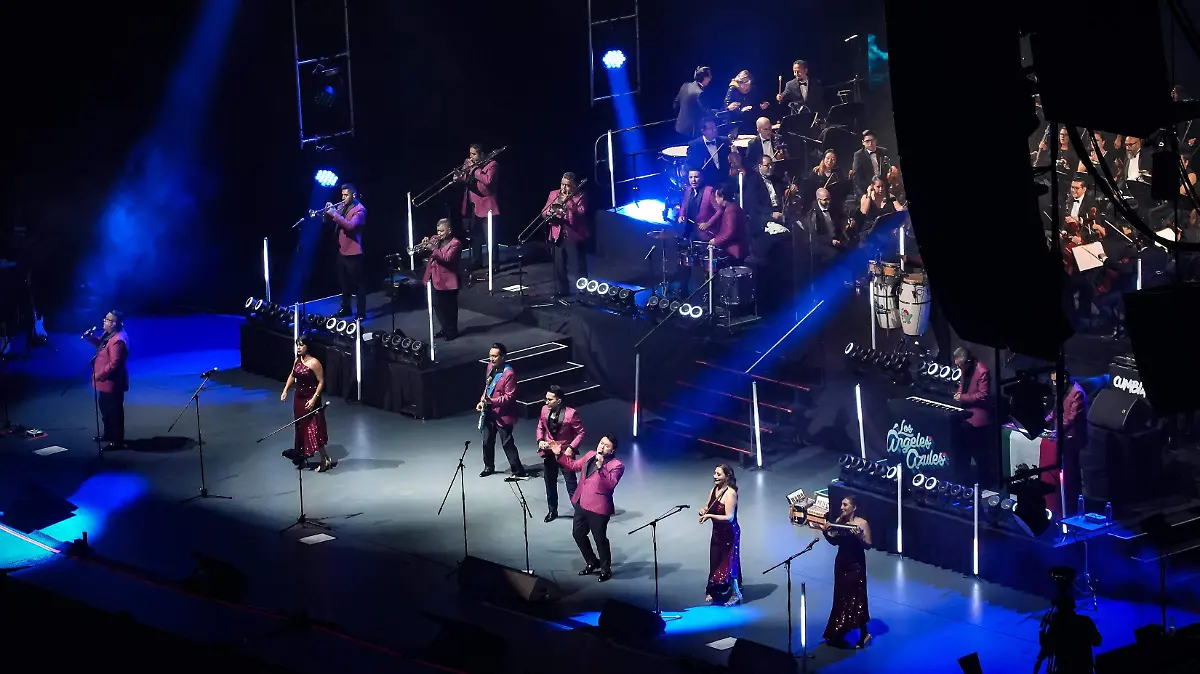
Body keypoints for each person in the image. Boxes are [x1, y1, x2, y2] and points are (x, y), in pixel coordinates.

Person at [549, 434, 624, 582]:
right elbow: (574, 466)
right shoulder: (590, 454)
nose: (601, 446)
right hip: (581, 502)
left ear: (612, 450)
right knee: (578, 534)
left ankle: (605, 569)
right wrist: (559, 455)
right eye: (601, 443)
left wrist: (601, 467)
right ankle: (591, 561)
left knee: (600, 539)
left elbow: (609, 485)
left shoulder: (617, 465)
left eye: (606, 445)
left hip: (599, 508)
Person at [821, 495, 872, 649]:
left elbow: (868, 545)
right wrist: (825, 533)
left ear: (853, 508)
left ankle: (864, 634)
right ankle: (838, 632)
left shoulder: (862, 523)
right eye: (841, 505)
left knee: (858, 598)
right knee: (841, 598)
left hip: (856, 565)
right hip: (841, 564)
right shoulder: (839, 521)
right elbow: (835, 541)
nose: (842, 507)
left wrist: (859, 537)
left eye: (845, 505)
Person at [280, 336, 332, 472]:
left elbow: (321, 382)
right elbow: (292, 375)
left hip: (310, 398)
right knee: (300, 426)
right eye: (297, 345)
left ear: (307, 346)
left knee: (314, 428)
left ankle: (325, 458)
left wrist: (314, 399)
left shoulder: (314, 363)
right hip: (299, 398)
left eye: (301, 345)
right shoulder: (298, 360)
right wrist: (285, 390)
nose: (298, 348)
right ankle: (301, 454)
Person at [476, 343, 526, 478]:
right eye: (490, 356)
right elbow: (488, 388)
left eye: (494, 356)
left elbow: (510, 397)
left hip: (504, 414)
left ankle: (518, 470)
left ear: (503, 357)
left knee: (507, 443)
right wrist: (482, 401)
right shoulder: (490, 367)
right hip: (489, 412)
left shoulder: (509, 374)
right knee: (487, 441)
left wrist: (491, 401)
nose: (491, 359)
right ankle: (488, 466)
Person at [536, 385, 584, 522]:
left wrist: (572, 448)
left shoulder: (571, 414)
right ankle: (552, 510)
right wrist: (540, 440)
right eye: (546, 399)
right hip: (549, 451)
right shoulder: (544, 410)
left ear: (559, 400)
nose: (546, 402)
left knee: (571, 485)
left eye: (550, 399)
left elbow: (580, 433)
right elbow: (540, 425)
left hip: (564, 453)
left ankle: (580, 512)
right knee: (549, 483)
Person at [84, 310, 129, 450]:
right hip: (104, 382)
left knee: (114, 411)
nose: (104, 321)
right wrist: (90, 338)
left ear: (114, 323)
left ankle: (117, 441)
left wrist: (100, 374)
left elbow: (115, 363)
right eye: (105, 318)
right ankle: (108, 434)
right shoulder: (109, 334)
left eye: (107, 319)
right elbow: (100, 345)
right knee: (105, 409)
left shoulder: (118, 340)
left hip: (112, 382)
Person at [699, 463, 743, 606]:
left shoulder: (730, 493)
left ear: (727, 476)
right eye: (715, 473)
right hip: (717, 532)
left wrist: (709, 516)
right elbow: (708, 506)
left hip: (729, 533)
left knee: (728, 563)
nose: (715, 476)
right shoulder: (714, 490)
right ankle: (715, 589)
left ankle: (736, 593)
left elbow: (729, 518)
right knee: (716, 560)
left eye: (719, 474)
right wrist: (704, 511)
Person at [323, 183, 368, 319]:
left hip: (354, 252)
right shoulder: (342, 206)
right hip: (342, 250)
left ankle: (361, 313)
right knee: (344, 283)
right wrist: (327, 212)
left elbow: (350, 226)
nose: (343, 198)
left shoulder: (360, 210)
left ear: (353, 195)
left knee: (358, 284)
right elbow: (329, 221)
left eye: (346, 195)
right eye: (342, 195)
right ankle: (346, 308)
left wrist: (335, 214)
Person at [541, 173, 589, 297]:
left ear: (573, 186)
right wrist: (550, 212)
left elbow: (582, 211)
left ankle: (583, 290)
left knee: (578, 264)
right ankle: (563, 290)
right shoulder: (554, 194)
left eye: (567, 185)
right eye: (562, 184)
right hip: (557, 233)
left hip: (574, 234)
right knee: (559, 264)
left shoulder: (580, 196)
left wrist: (568, 203)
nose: (563, 188)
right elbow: (544, 211)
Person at [953, 346, 994, 487]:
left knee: (980, 453)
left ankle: (985, 482)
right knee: (962, 450)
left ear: (968, 361)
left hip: (978, 417)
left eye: (960, 366)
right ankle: (964, 480)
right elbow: (962, 384)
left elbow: (983, 395)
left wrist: (962, 397)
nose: (959, 369)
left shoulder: (983, 371)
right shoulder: (964, 368)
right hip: (965, 414)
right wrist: (960, 393)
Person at [1047, 370, 1088, 507]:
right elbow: (1054, 411)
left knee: (1071, 473)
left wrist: (1057, 431)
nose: (1053, 384)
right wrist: (1043, 422)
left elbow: (1071, 418)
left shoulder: (1077, 393)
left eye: (1055, 381)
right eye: (1052, 381)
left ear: (1064, 378)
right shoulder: (1061, 390)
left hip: (1072, 439)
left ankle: (1073, 503)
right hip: (1062, 435)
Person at [418, 218, 462, 340]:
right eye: (438, 230)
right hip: (435, 277)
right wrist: (423, 246)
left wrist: (433, 249)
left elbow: (447, 259)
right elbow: (423, 254)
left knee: (450, 309)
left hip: (449, 281)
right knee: (438, 307)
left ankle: (452, 332)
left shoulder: (455, 244)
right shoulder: (435, 239)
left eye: (442, 231)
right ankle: (445, 328)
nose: (439, 233)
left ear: (449, 230)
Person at [458, 143, 499, 272]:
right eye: (470, 153)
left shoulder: (492, 165)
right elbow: (464, 178)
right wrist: (458, 177)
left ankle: (494, 264)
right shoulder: (468, 163)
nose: (470, 157)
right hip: (472, 205)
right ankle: (477, 261)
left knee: (490, 238)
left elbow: (488, 181)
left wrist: (475, 170)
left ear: (482, 155)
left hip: (487, 207)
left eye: (474, 154)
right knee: (475, 236)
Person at [674, 66, 712, 138]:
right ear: (705, 78)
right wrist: (726, 109)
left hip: (680, 127)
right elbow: (706, 112)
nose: (710, 79)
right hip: (692, 131)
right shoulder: (699, 93)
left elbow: (676, 105)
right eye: (709, 76)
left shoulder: (685, 86)